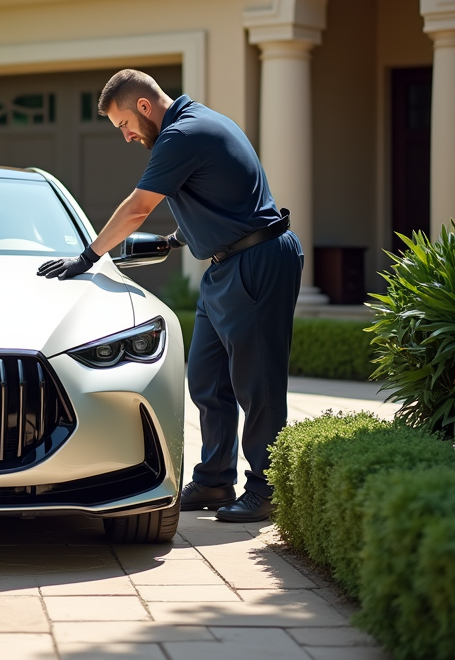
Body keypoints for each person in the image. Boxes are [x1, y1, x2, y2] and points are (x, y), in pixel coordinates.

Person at [37, 69, 303, 523]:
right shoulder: (191, 128)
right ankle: (217, 478)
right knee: (205, 378)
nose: (125, 136)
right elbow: (216, 197)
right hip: (225, 265)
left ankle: (266, 488)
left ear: (143, 107)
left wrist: (88, 257)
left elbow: (139, 207)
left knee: (256, 385)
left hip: (256, 262)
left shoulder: (184, 133)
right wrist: (177, 240)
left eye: (123, 124)